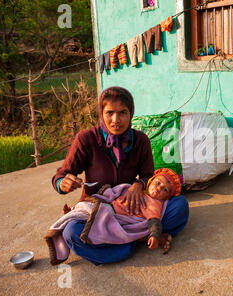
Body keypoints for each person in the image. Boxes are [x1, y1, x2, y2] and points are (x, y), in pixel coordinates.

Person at [51, 86, 189, 265]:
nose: (116, 120)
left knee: (179, 206)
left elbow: (148, 175)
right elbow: (61, 175)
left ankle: (121, 241)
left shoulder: (140, 140)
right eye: (109, 113)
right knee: (71, 232)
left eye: (122, 112)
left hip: (134, 210)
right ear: (101, 113)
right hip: (100, 211)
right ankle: (138, 241)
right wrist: (63, 183)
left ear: (130, 113)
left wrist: (138, 185)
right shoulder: (86, 139)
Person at [111, 168, 182, 250]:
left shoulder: (154, 203)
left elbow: (154, 221)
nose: (158, 188)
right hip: (108, 206)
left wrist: (154, 235)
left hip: (117, 220)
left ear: (166, 198)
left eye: (165, 190)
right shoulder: (138, 189)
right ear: (150, 181)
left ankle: (141, 239)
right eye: (157, 183)